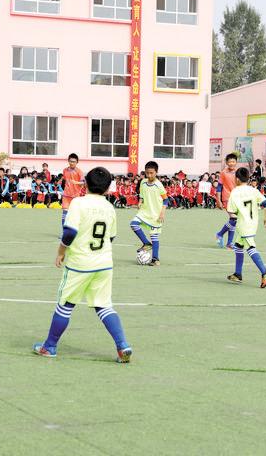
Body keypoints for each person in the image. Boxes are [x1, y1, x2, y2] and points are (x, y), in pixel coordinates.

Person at [33, 166, 132, 363]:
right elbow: (111, 237)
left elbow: (70, 232)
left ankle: (49, 346)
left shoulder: (78, 203)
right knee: (104, 306)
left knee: (65, 305)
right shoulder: (109, 208)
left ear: (85, 183)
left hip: (80, 264)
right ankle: (123, 346)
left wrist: (61, 251)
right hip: (104, 263)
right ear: (108, 188)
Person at [226, 167, 266, 288]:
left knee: (250, 248)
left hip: (244, 224)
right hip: (253, 223)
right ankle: (238, 274)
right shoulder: (253, 190)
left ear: (237, 179)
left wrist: (232, 216)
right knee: (238, 246)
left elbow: (231, 211)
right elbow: (265, 204)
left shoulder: (235, 192)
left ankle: (265, 271)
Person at [130, 161, 168, 266]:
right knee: (133, 224)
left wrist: (162, 213)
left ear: (156, 172)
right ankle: (146, 243)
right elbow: (142, 195)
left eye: (152, 173)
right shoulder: (143, 182)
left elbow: (166, 200)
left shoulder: (159, 185)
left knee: (154, 237)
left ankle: (155, 259)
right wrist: (140, 202)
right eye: (147, 173)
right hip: (144, 212)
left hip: (156, 214)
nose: (149, 175)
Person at [215, 153, 238, 248]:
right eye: (230, 162)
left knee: (233, 221)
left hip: (237, 198)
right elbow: (219, 187)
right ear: (227, 162)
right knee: (234, 218)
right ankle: (219, 234)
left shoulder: (238, 172)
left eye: (233, 161)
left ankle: (229, 243)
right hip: (227, 198)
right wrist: (218, 200)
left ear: (236, 162)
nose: (232, 163)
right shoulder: (223, 173)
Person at [61, 153, 85, 230]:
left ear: (77, 162)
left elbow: (83, 183)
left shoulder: (79, 172)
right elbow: (65, 180)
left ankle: (75, 230)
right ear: (68, 161)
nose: (72, 163)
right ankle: (64, 232)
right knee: (65, 214)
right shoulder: (65, 170)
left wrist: (76, 182)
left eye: (74, 162)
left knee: (74, 215)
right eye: (71, 161)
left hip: (75, 196)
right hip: (66, 195)